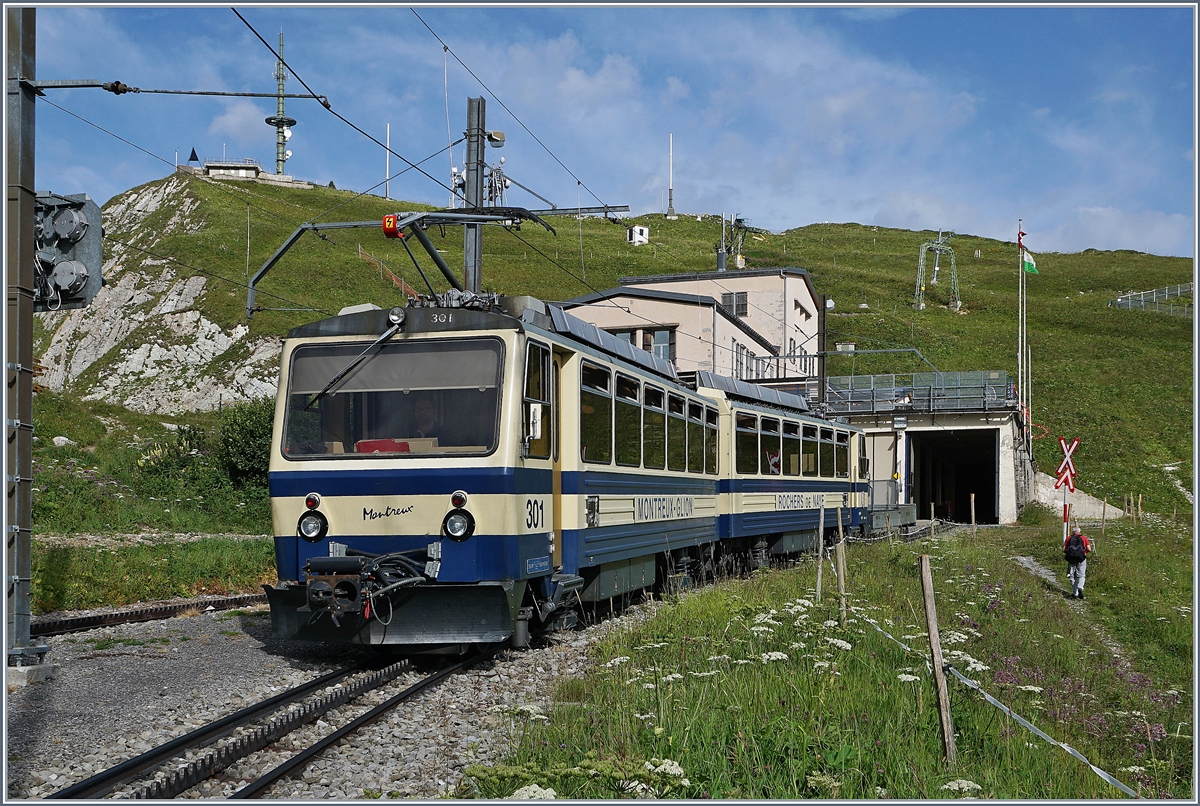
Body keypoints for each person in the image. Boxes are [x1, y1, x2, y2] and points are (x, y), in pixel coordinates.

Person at [1063, 525, 1093, 599]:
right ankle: (1080, 587)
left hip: (1071, 559)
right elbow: (1089, 549)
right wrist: (1083, 553)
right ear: (1079, 531)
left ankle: (1074, 593)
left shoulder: (1069, 538)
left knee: (1072, 575)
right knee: (1081, 575)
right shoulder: (1083, 538)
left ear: (1073, 532)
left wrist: (1070, 554)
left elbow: (1063, 549)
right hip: (1081, 558)